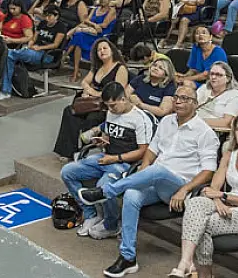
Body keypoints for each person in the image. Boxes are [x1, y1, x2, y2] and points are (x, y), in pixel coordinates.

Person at [77, 81, 219, 278]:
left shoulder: (205, 133)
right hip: (155, 180)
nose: (178, 102)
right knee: (132, 195)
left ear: (196, 103)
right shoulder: (167, 121)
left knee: (158, 170)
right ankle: (128, 257)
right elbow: (151, 151)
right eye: (176, 97)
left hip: (179, 188)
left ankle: (106, 192)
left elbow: (208, 171)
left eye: (184, 98)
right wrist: (141, 175)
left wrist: (185, 189)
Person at [171, 113, 238, 278]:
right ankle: (185, 263)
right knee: (194, 202)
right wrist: (218, 200)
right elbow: (214, 186)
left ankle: (202, 273)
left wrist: (222, 196)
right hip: (227, 203)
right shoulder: (229, 154)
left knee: (201, 224)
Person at [61, 82, 156, 239]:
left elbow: (143, 151)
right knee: (68, 172)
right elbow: (109, 135)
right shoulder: (111, 112)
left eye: (113, 105)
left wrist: (115, 158)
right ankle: (91, 214)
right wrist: (102, 141)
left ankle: (112, 224)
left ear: (123, 99)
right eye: (108, 106)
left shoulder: (140, 119)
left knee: (103, 186)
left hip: (125, 163)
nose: (110, 109)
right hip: (106, 157)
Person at [53, 38, 130, 158]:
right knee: (69, 111)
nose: (102, 51)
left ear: (112, 50)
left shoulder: (120, 68)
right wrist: (87, 91)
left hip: (108, 105)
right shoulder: (97, 67)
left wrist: (95, 93)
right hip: (93, 102)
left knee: (92, 118)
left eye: (105, 48)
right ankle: (68, 151)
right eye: (99, 50)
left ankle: (86, 151)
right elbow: (84, 82)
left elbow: (118, 92)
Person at [0, 5, 66, 101]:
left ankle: (5, 90)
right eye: (45, 16)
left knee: (9, 55)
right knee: (9, 57)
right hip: (33, 50)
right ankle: (6, 89)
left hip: (48, 54)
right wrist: (30, 44)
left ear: (56, 16)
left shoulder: (61, 27)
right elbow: (34, 38)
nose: (47, 18)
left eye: (49, 16)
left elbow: (55, 45)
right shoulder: (42, 23)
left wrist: (40, 47)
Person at [195, 61, 238, 130]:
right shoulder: (203, 88)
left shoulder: (235, 95)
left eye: (218, 75)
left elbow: (226, 122)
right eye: (211, 74)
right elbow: (191, 107)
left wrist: (196, 121)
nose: (213, 77)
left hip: (214, 131)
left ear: (228, 78)